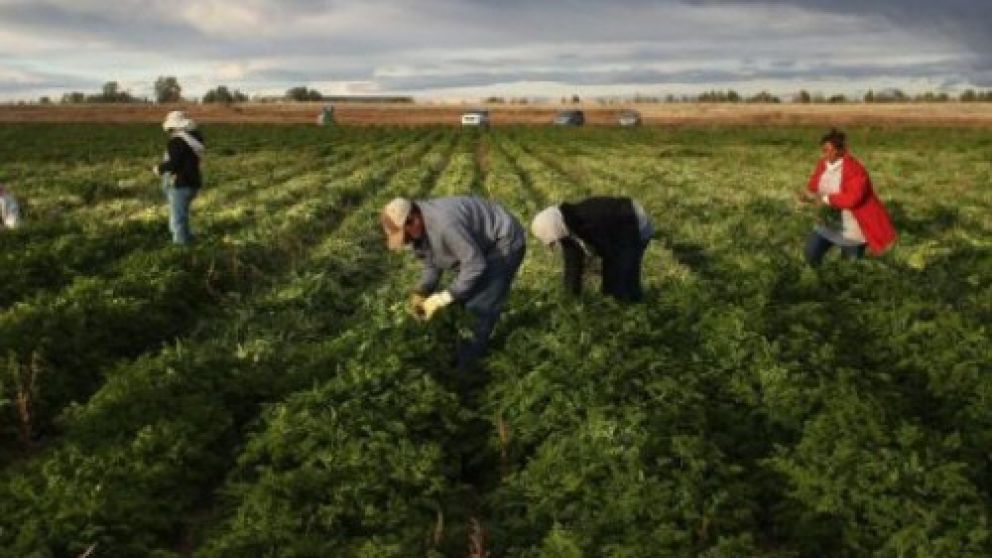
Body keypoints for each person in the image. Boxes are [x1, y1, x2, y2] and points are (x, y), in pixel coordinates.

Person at [381, 196, 526, 374]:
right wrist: (422, 290)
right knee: (460, 302)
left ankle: (466, 373)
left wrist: (444, 297)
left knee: (477, 309)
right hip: (478, 249)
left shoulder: (445, 224)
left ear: (413, 219)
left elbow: (474, 264)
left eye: (405, 235)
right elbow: (432, 264)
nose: (406, 241)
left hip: (502, 242)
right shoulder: (419, 231)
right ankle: (458, 355)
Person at [801, 129, 896, 266]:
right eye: (823, 150)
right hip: (828, 223)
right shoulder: (823, 164)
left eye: (828, 150)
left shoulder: (855, 169)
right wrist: (808, 195)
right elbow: (814, 184)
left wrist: (827, 199)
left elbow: (853, 198)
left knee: (849, 268)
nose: (824, 154)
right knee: (811, 254)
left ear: (839, 151)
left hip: (853, 228)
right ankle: (819, 282)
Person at [531, 196, 653, 302]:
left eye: (554, 240)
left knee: (624, 275)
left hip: (633, 223)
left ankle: (634, 304)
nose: (556, 243)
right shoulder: (568, 227)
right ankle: (617, 302)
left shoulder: (589, 219)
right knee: (611, 283)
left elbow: (614, 253)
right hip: (616, 230)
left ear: (555, 229)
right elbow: (573, 264)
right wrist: (571, 296)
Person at [153, 111, 205, 245]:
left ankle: (181, 248)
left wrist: (159, 169)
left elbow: (174, 164)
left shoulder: (177, 142)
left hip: (180, 184)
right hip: (193, 183)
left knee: (177, 219)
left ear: (173, 128)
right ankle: (189, 239)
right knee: (182, 215)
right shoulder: (194, 140)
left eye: (170, 129)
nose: (169, 132)